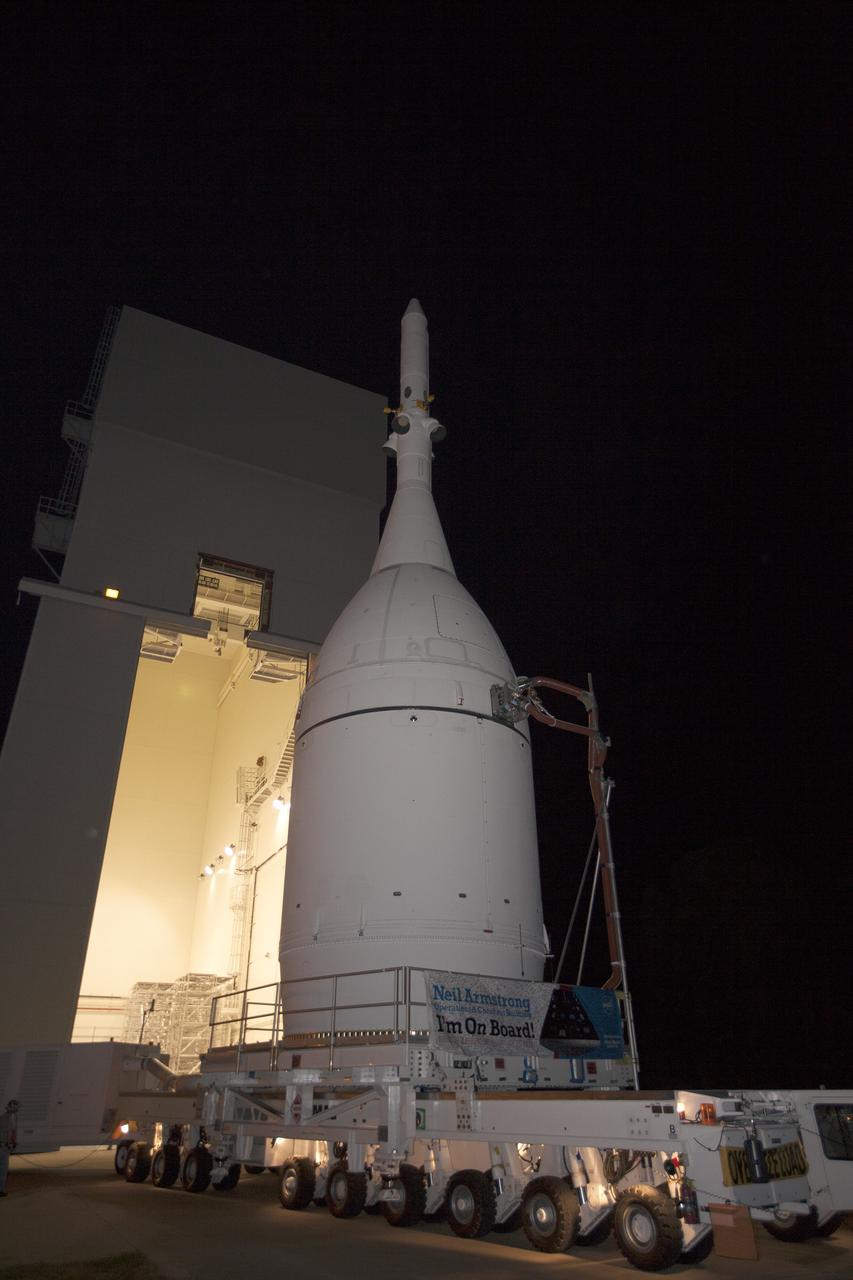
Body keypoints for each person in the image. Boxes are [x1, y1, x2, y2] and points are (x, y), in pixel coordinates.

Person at [0, 1099, 18, 1195]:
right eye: (14, 1107)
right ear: (9, 1107)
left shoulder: (14, 1117)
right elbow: (6, 1132)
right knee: (2, 1169)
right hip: (2, 1146)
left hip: (6, 1147)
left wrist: (13, 1142)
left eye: (16, 1107)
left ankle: (1, 1190)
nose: (15, 1109)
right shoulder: (3, 1118)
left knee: (3, 1170)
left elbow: (14, 1131)